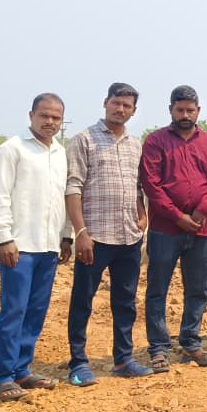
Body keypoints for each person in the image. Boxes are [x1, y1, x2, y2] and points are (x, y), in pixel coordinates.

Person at [0, 93, 74, 402]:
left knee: (36, 311)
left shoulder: (60, 153)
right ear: (31, 115)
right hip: (18, 246)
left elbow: (62, 197)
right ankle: (3, 377)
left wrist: (66, 236)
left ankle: (22, 369)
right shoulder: (12, 150)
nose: (49, 122)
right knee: (14, 310)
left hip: (48, 246)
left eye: (56, 118)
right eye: (44, 115)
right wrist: (4, 238)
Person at [65, 83, 151, 385]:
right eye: (116, 103)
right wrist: (80, 232)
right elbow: (73, 187)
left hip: (128, 236)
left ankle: (123, 359)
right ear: (105, 103)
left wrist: (142, 213)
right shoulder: (84, 139)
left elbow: (136, 186)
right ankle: (78, 363)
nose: (120, 109)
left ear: (134, 111)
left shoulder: (135, 144)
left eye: (127, 106)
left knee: (125, 301)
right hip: (95, 237)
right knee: (83, 300)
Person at [140, 86, 207, 371]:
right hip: (165, 230)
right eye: (180, 110)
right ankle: (159, 348)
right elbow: (151, 184)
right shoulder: (156, 141)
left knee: (198, 289)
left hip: (200, 230)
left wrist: (202, 211)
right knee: (158, 289)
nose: (185, 115)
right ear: (171, 110)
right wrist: (178, 217)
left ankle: (191, 341)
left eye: (190, 110)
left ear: (198, 111)